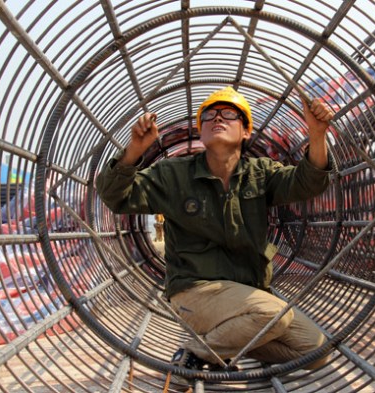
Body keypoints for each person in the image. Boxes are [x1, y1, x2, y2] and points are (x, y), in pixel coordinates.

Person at [96, 86, 334, 375]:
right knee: (272, 313)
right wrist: (134, 149)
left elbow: (309, 182)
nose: (217, 118)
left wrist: (317, 133)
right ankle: (196, 354)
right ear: (201, 132)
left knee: (317, 349)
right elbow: (114, 195)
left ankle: (220, 348)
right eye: (208, 115)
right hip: (194, 293)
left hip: (247, 296)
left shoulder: (261, 173)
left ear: (246, 132)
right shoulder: (174, 174)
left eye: (229, 114)